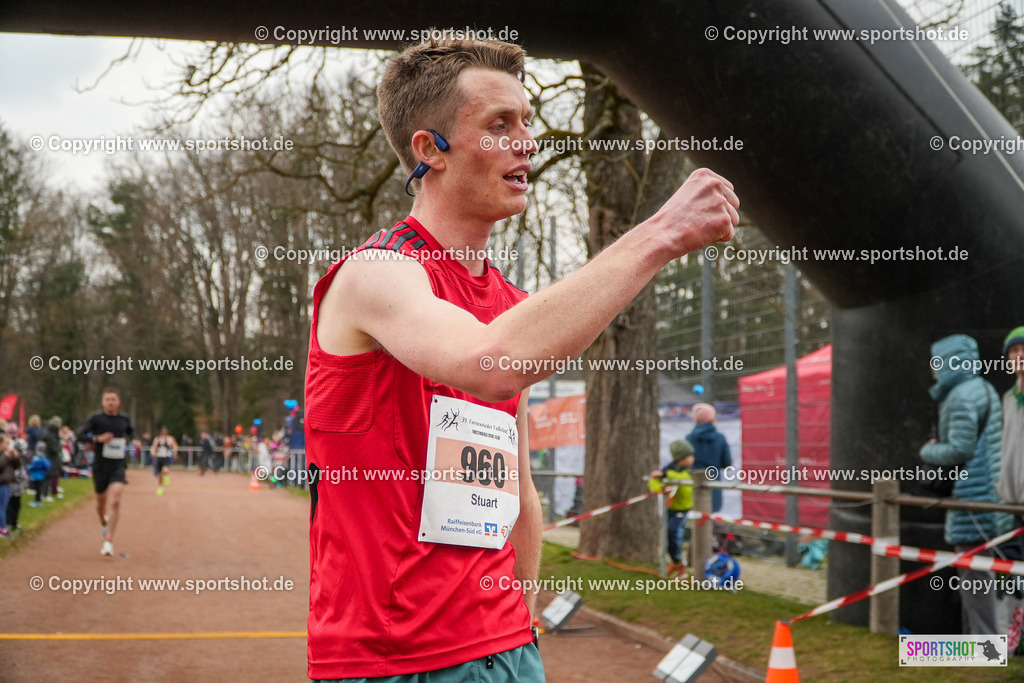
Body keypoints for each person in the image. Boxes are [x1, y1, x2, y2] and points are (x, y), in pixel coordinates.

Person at [304, 36, 738, 680]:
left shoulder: (511, 303)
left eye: (527, 122)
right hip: (394, 657)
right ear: (430, 150)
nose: (526, 140)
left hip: (504, 645)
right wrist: (661, 234)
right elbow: (489, 360)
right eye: (498, 125)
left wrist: (522, 620)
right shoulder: (376, 275)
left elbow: (517, 487)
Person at [920, 334, 1010, 635]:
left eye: (936, 362)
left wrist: (927, 449)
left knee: (975, 586)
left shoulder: (959, 397)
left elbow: (961, 450)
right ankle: (977, 647)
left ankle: (985, 649)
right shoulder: (984, 389)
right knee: (980, 582)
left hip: (971, 503)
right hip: (990, 501)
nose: (933, 369)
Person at [77, 388, 136, 557]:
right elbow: (79, 436)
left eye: (113, 399)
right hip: (101, 465)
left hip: (118, 464)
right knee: (101, 502)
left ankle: (109, 541)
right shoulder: (96, 419)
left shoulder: (124, 418)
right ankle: (103, 522)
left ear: (119, 402)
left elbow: (131, 431)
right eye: (107, 399)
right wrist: (97, 439)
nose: (110, 402)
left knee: (116, 500)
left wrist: (136, 439)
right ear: (103, 402)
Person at [649, 439, 695, 572]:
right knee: (668, 534)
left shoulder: (689, 472)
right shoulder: (668, 470)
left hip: (683, 509)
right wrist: (659, 485)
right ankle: (674, 562)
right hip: (670, 508)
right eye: (689, 456)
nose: (693, 459)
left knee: (675, 532)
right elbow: (655, 483)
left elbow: (685, 483)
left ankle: (679, 562)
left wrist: (667, 477)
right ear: (680, 458)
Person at [687, 403, 732, 513]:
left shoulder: (688, 439)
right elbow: (727, 462)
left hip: (693, 482)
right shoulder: (720, 438)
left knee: (696, 516)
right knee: (710, 515)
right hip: (713, 482)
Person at [151, 427, 177, 495]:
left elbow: (175, 446)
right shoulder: (157, 439)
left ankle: (166, 476)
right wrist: (153, 452)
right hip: (159, 457)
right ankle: (160, 487)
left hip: (166, 457)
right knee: (159, 475)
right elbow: (153, 447)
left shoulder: (169, 439)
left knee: (165, 470)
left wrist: (174, 452)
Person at [0, 435, 15, 540]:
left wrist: (15, 457)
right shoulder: (3, 455)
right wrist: (6, 456)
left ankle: (3, 527)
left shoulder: (6, 455)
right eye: (6, 443)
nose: (8, 445)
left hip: (6, 483)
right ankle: (2, 529)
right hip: (1, 484)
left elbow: (16, 466)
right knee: (1, 508)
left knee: (4, 507)